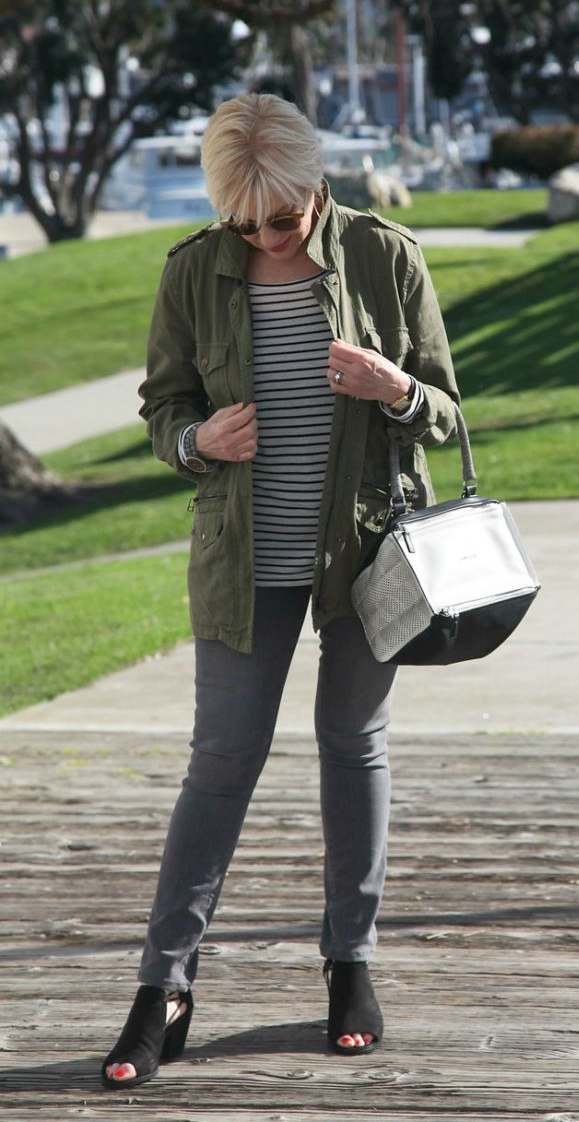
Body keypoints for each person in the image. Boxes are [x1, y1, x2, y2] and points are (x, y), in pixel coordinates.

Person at [101, 93, 459, 1087]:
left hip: (366, 555)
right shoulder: (193, 271)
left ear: (314, 186)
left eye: (282, 216)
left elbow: (443, 409)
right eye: (245, 220)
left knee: (353, 746)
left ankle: (350, 962)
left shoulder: (385, 257)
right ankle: (162, 987)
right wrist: (193, 439)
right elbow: (162, 403)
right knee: (220, 762)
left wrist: (390, 387)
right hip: (240, 556)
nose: (264, 232)